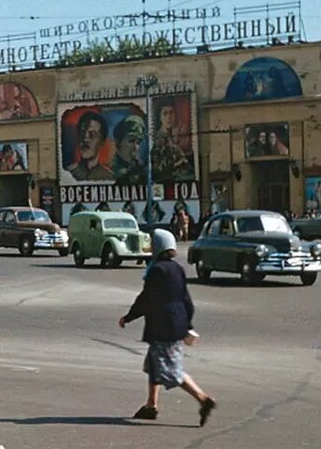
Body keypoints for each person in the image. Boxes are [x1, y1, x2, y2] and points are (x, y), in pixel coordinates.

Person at [117, 229, 217, 426]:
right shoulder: (177, 268)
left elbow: (146, 299)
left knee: (171, 370)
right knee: (155, 365)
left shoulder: (157, 270)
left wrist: (129, 317)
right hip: (175, 324)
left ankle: (203, 399)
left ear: (159, 247)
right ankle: (151, 406)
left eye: (153, 244)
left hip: (164, 328)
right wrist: (187, 323)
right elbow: (186, 299)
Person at [65, 112, 114, 181]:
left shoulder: (109, 177)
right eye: (82, 133)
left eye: (92, 135)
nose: (85, 139)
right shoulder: (67, 173)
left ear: (102, 142)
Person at [110, 115, 147, 185]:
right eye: (131, 141)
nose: (135, 147)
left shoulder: (141, 170)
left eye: (138, 142)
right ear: (118, 142)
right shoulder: (110, 170)